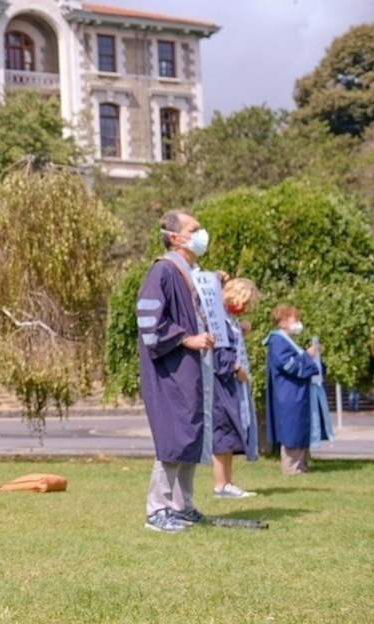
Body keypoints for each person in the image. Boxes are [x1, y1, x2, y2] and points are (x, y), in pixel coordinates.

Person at [135, 210, 217, 533]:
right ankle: (157, 510)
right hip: (169, 372)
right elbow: (149, 323)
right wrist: (187, 338)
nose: (201, 234)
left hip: (189, 370)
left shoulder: (189, 272)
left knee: (189, 436)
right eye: (194, 229)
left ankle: (183, 506)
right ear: (174, 237)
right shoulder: (162, 272)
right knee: (173, 437)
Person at [264, 305, 332, 475]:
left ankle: (302, 466)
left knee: (300, 429)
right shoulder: (277, 341)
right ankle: (292, 468)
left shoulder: (288, 340)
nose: (298, 323)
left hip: (298, 392)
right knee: (292, 430)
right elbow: (288, 365)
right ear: (284, 322)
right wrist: (307, 356)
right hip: (288, 394)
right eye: (295, 319)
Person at [212, 278, 260, 498]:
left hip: (234, 384)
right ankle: (220, 484)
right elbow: (219, 352)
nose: (244, 307)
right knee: (221, 432)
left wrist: (241, 329)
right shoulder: (218, 319)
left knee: (230, 433)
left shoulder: (229, 319)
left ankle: (228, 483)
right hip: (223, 384)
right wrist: (235, 367)